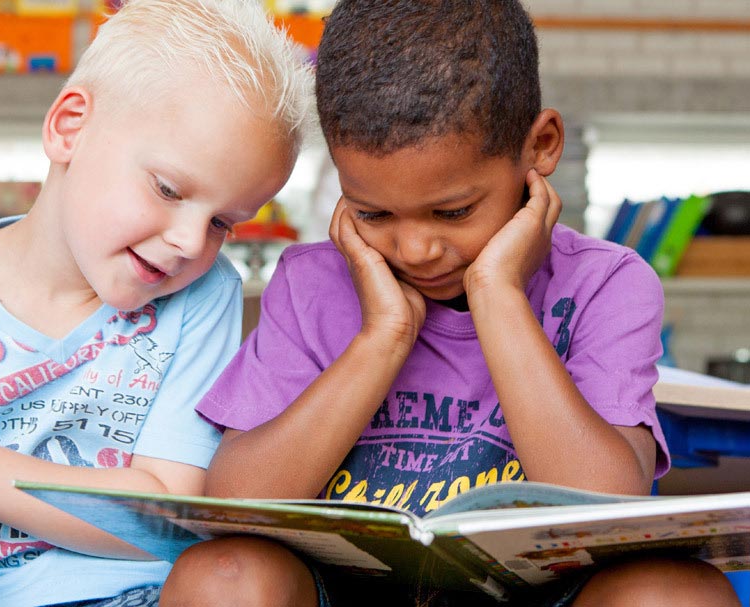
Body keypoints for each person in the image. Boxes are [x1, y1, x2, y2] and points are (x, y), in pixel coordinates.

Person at [158, 1, 742, 606]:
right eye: (372, 212)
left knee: (676, 592)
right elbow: (238, 508)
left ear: (540, 146)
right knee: (223, 574)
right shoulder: (311, 283)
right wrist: (381, 338)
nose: (416, 249)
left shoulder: (607, 283)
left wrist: (498, 295)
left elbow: (605, 503)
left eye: (454, 211)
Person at [0, 1, 311, 605]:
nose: (193, 242)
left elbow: (166, 521)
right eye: (168, 189)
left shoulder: (203, 291)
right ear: (69, 128)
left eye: (223, 221)